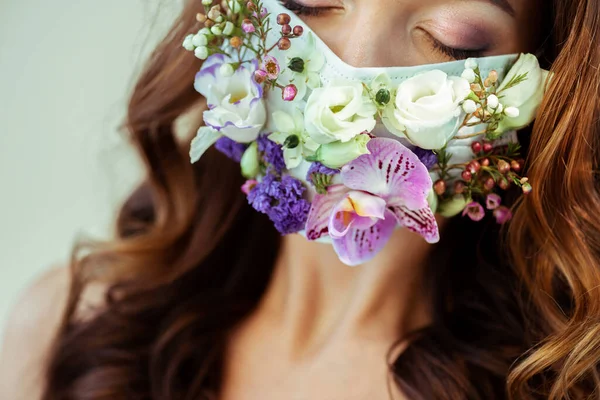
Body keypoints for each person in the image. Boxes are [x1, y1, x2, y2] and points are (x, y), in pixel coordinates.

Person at [2, 0, 599, 399]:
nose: (352, 69)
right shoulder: (72, 323)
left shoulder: (547, 382)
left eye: (453, 42)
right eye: (310, 0)